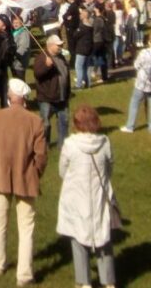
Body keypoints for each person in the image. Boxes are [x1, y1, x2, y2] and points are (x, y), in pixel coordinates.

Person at [0, 79, 47, 286]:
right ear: (24, 98)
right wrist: (35, 173)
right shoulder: (35, 121)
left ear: (10, 96)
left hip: (0, 177)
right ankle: (24, 274)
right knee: (26, 227)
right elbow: (41, 155)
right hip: (25, 179)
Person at [57, 105, 117, 288]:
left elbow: (62, 170)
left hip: (76, 195)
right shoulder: (105, 143)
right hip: (99, 193)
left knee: (78, 238)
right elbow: (109, 168)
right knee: (103, 236)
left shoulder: (70, 145)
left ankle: (84, 282)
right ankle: (108, 282)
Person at [121, 30, 151, 134]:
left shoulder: (144, 52)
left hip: (142, 82)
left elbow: (137, 65)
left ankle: (130, 126)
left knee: (134, 103)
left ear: (150, 41)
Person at [33, 35, 71, 150]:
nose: (61, 47)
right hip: (47, 98)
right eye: (58, 45)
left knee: (64, 121)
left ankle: (63, 144)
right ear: (50, 45)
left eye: (61, 45)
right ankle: (45, 145)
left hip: (62, 97)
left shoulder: (61, 57)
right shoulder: (41, 58)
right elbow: (37, 74)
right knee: (45, 124)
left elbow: (66, 75)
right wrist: (46, 66)